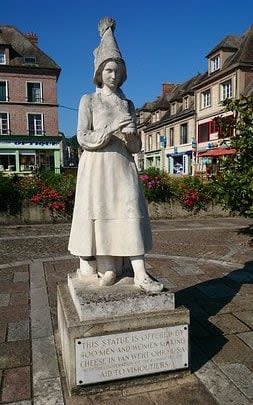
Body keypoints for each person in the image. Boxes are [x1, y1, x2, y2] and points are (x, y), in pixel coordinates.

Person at [68, 17, 163, 293]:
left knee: (129, 211)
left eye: (118, 70)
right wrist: (111, 129)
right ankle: (108, 267)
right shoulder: (89, 100)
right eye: (109, 70)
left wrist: (132, 136)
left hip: (122, 164)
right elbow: (82, 137)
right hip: (97, 165)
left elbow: (136, 148)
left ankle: (141, 273)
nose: (114, 75)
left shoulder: (128, 103)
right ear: (100, 71)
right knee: (102, 213)